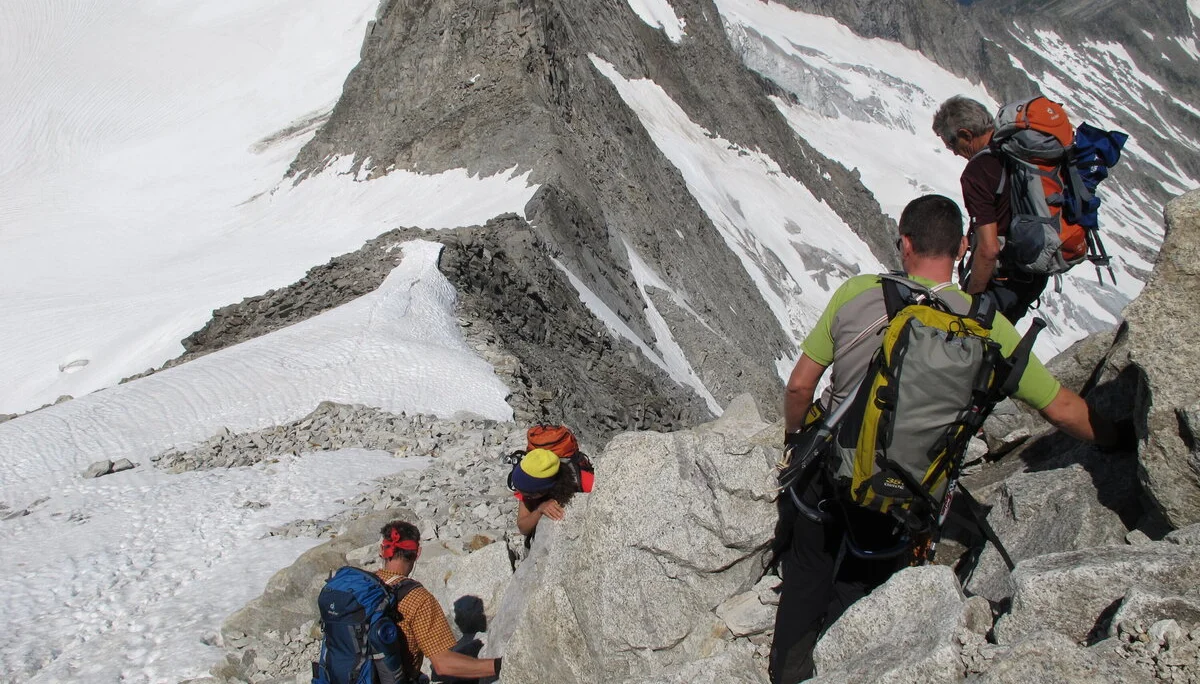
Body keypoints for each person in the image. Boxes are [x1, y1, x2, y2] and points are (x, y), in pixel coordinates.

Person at [769, 194, 1124, 683]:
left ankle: (786, 673)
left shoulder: (858, 293)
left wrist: (796, 440)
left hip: (828, 476)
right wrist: (1120, 438)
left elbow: (800, 385)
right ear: (961, 247)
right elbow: (1060, 407)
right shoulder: (985, 324)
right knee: (861, 587)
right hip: (903, 494)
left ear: (905, 244)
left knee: (807, 570)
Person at [932, 95, 1049, 324]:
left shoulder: (978, 172)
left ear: (966, 134)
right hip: (1034, 274)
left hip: (1002, 281)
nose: (954, 152)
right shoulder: (1016, 150)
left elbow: (988, 249)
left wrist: (970, 303)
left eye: (952, 143)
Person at [375, 521, 502, 682]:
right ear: (417, 553)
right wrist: (499, 665)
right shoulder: (417, 598)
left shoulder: (357, 587)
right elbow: (443, 664)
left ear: (381, 550)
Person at [512, 447, 593, 536]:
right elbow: (523, 528)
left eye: (528, 495)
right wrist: (539, 510)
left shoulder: (583, 480)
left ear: (544, 489)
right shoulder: (527, 486)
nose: (524, 496)